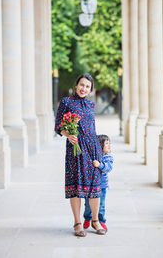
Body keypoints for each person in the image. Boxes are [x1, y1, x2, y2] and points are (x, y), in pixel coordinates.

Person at [55, 73, 106, 237]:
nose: (84, 89)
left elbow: (92, 128)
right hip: (75, 149)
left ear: (90, 90)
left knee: (95, 186)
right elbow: (58, 126)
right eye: (82, 85)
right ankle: (77, 223)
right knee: (76, 186)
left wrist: (101, 149)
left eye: (87, 87)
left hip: (93, 149)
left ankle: (95, 220)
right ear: (76, 86)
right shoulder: (66, 102)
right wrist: (68, 134)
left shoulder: (91, 105)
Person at [83, 134, 113, 231]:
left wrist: (99, 165)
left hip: (102, 185)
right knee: (88, 204)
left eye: (109, 143)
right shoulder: (94, 157)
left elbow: (108, 168)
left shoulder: (108, 157)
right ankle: (87, 217)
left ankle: (101, 221)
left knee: (101, 205)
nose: (109, 146)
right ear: (100, 146)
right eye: (107, 143)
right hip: (91, 185)